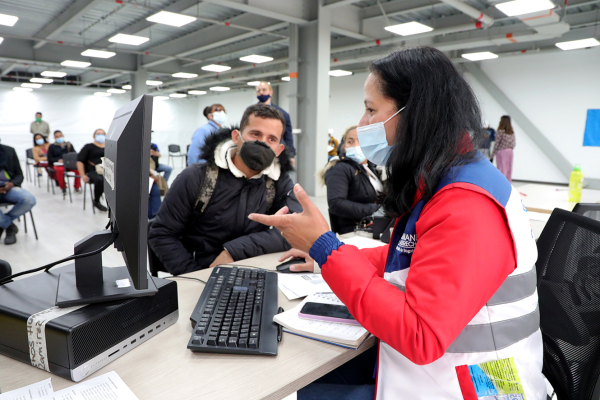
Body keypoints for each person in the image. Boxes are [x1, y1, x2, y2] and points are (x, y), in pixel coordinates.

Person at [249, 47, 545, 400]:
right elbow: (408, 258)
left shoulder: (467, 203)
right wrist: (332, 254)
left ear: (416, 113)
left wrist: (327, 250)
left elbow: (421, 336)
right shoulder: (448, 176)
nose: (362, 123)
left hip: (475, 385)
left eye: (371, 109)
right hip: (440, 370)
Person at [149, 103, 300, 275]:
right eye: (255, 134)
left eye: (271, 139)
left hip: (255, 273)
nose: (262, 144)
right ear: (236, 137)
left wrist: (233, 251)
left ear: (279, 150)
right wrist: (195, 276)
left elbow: (296, 229)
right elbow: (162, 234)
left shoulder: (277, 181)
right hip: (201, 272)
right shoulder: (197, 177)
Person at [320, 126, 384, 235]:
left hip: (375, 227)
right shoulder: (339, 168)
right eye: (350, 141)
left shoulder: (371, 168)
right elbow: (336, 203)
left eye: (361, 141)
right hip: (354, 231)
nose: (356, 145)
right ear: (344, 147)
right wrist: (376, 209)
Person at [0, 142, 36, 245]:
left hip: (9, 186)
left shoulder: (9, 150)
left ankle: (3, 223)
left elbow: (19, 174)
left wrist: (12, 184)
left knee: (29, 199)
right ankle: (10, 226)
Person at [255, 82, 296, 165]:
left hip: (277, 154)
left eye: (264, 90)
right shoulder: (251, 113)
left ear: (271, 92)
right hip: (256, 152)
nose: (261, 92)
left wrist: (291, 155)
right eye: (258, 90)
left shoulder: (282, 114)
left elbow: (288, 137)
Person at [77, 129, 106, 211]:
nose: (100, 135)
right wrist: (83, 175)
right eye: (98, 134)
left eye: (102, 134)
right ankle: (96, 201)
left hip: (107, 170)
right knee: (100, 179)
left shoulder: (109, 146)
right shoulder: (88, 147)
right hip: (93, 171)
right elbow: (80, 161)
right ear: (94, 136)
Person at [491, 115, 516, 183]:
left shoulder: (500, 131)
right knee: (509, 169)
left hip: (501, 151)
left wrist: (492, 155)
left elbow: (496, 144)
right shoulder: (511, 131)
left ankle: (501, 184)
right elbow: (514, 143)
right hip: (510, 151)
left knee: (501, 169)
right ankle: (509, 184)